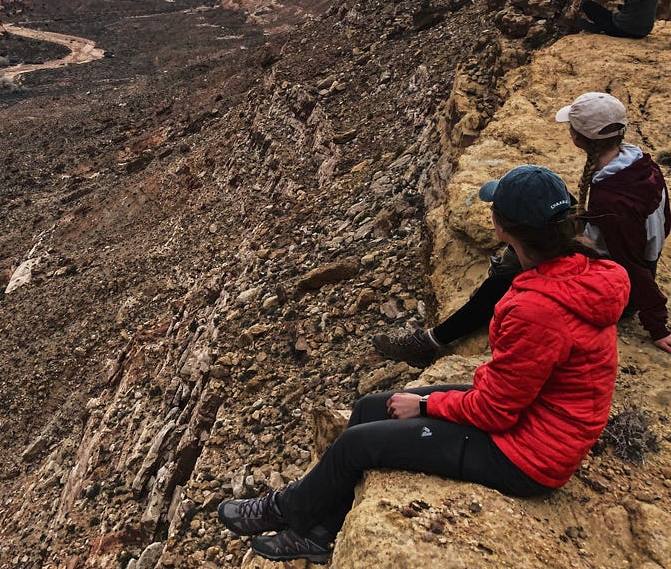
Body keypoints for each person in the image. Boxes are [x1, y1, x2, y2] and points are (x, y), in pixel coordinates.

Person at [218, 166, 629, 564]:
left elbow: (496, 412)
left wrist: (428, 407)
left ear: (502, 227)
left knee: (356, 444)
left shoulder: (537, 310)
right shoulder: (583, 270)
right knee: (368, 409)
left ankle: (287, 512)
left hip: (527, 455)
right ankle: (320, 531)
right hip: (532, 415)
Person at [374, 92, 671, 364]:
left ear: (578, 137)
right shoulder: (639, 163)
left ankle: (431, 341)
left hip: (616, 282)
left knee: (501, 282)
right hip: (614, 256)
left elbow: (632, 264)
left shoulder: (612, 201)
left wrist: (657, 324)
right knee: (546, 201)